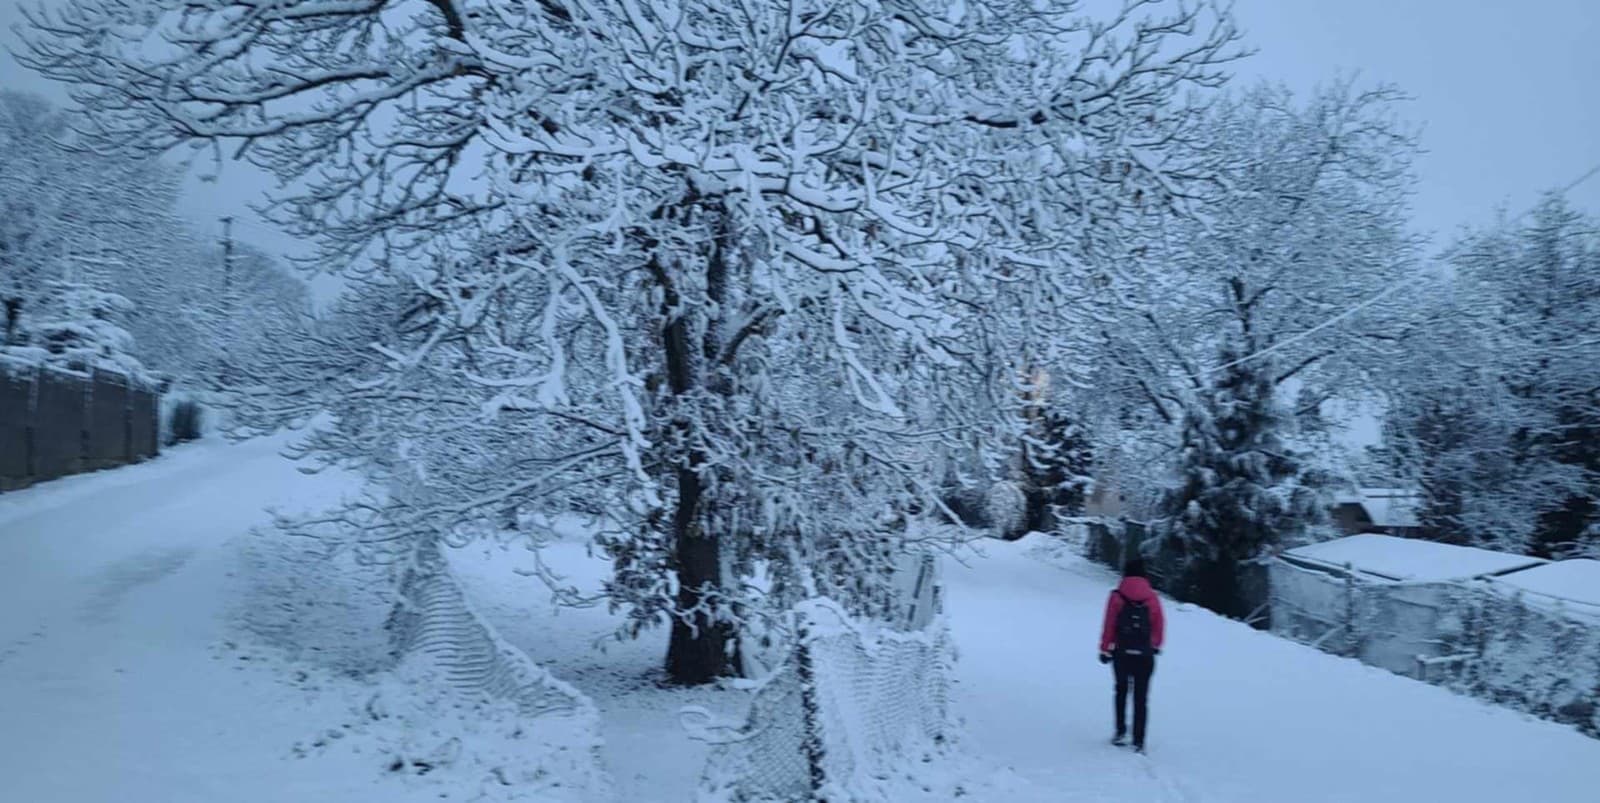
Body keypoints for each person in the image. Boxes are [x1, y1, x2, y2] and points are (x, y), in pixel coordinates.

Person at [1098, 558, 1164, 753]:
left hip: (1121, 653)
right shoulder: (1152, 598)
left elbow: (1109, 625)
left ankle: (1120, 732)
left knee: (1121, 691)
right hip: (1144, 655)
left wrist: (1104, 648)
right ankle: (1139, 740)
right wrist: (1155, 645)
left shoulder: (1116, 597)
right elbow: (1159, 625)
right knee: (1141, 698)